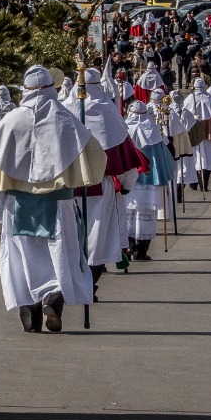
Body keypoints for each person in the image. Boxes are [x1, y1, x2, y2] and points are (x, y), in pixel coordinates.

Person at [0, 66, 105, 332]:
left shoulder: (11, 121)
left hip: (18, 203)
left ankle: (30, 309)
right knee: (60, 254)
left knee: (23, 258)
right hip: (58, 203)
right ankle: (54, 298)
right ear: (51, 89)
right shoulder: (65, 119)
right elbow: (93, 155)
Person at [80, 67, 147, 283]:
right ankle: (90, 283)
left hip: (70, 187)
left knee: (74, 237)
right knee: (98, 239)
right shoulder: (107, 111)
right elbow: (125, 155)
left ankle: (79, 286)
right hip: (101, 186)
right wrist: (127, 184)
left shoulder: (64, 109)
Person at [123, 98, 175, 260]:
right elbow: (167, 154)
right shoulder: (155, 132)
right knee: (147, 216)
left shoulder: (123, 131)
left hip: (129, 181)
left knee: (128, 215)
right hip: (150, 181)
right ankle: (142, 252)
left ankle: (130, 247)